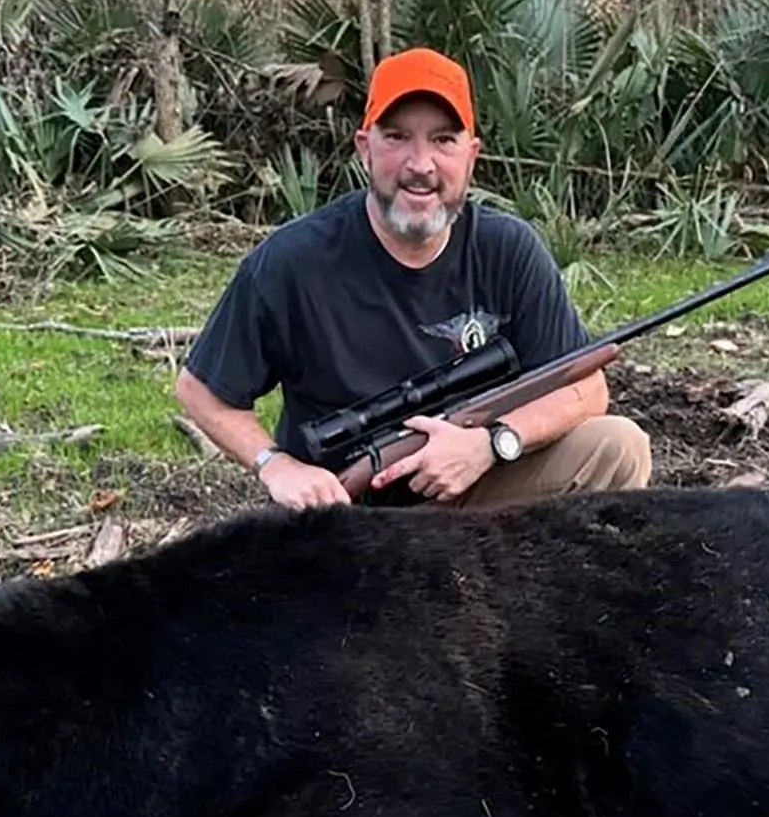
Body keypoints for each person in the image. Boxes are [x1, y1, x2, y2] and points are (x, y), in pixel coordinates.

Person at [174, 45, 652, 510]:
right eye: (397, 137)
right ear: (364, 147)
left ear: (471, 155)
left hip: (482, 497)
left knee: (617, 445)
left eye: (443, 140)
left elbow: (586, 387)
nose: (420, 165)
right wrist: (276, 465)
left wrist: (490, 443)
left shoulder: (507, 248)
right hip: (348, 517)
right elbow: (200, 390)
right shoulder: (292, 261)